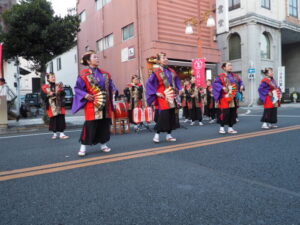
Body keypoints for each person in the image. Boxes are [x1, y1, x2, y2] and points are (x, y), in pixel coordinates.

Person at [72, 50, 117, 156]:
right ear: (88, 61)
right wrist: (85, 95)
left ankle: (103, 144)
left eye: (97, 57)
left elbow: (111, 85)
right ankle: (83, 146)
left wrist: (114, 89)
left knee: (104, 125)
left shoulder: (106, 73)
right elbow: (77, 88)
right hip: (92, 105)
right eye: (95, 57)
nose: (97, 59)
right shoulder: (83, 74)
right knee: (90, 126)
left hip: (105, 104)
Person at [146, 52, 182, 143]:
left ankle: (169, 135)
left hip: (172, 95)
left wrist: (180, 88)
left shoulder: (171, 71)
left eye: (166, 57)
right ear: (158, 60)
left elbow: (177, 80)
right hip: (163, 96)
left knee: (171, 115)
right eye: (163, 58)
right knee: (164, 115)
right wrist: (156, 92)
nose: (166, 59)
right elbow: (149, 83)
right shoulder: (156, 72)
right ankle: (156, 135)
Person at [213, 62, 241, 134]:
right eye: (228, 65)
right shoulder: (220, 76)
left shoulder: (235, 76)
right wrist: (222, 87)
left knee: (232, 112)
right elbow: (215, 84)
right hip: (224, 98)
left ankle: (230, 128)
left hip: (233, 97)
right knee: (224, 113)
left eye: (231, 65)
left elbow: (241, 82)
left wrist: (242, 86)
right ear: (224, 68)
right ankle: (221, 128)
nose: (230, 66)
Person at [41, 73, 69, 139]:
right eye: (52, 77)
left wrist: (61, 90)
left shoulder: (58, 85)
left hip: (60, 105)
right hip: (51, 106)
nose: (54, 78)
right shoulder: (44, 87)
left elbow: (63, 94)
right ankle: (54, 134)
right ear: (48, 79)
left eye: (54, 77)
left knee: (61, 119)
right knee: (53, 120)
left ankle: (62, 134)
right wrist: (49, 94)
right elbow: (42, 97)